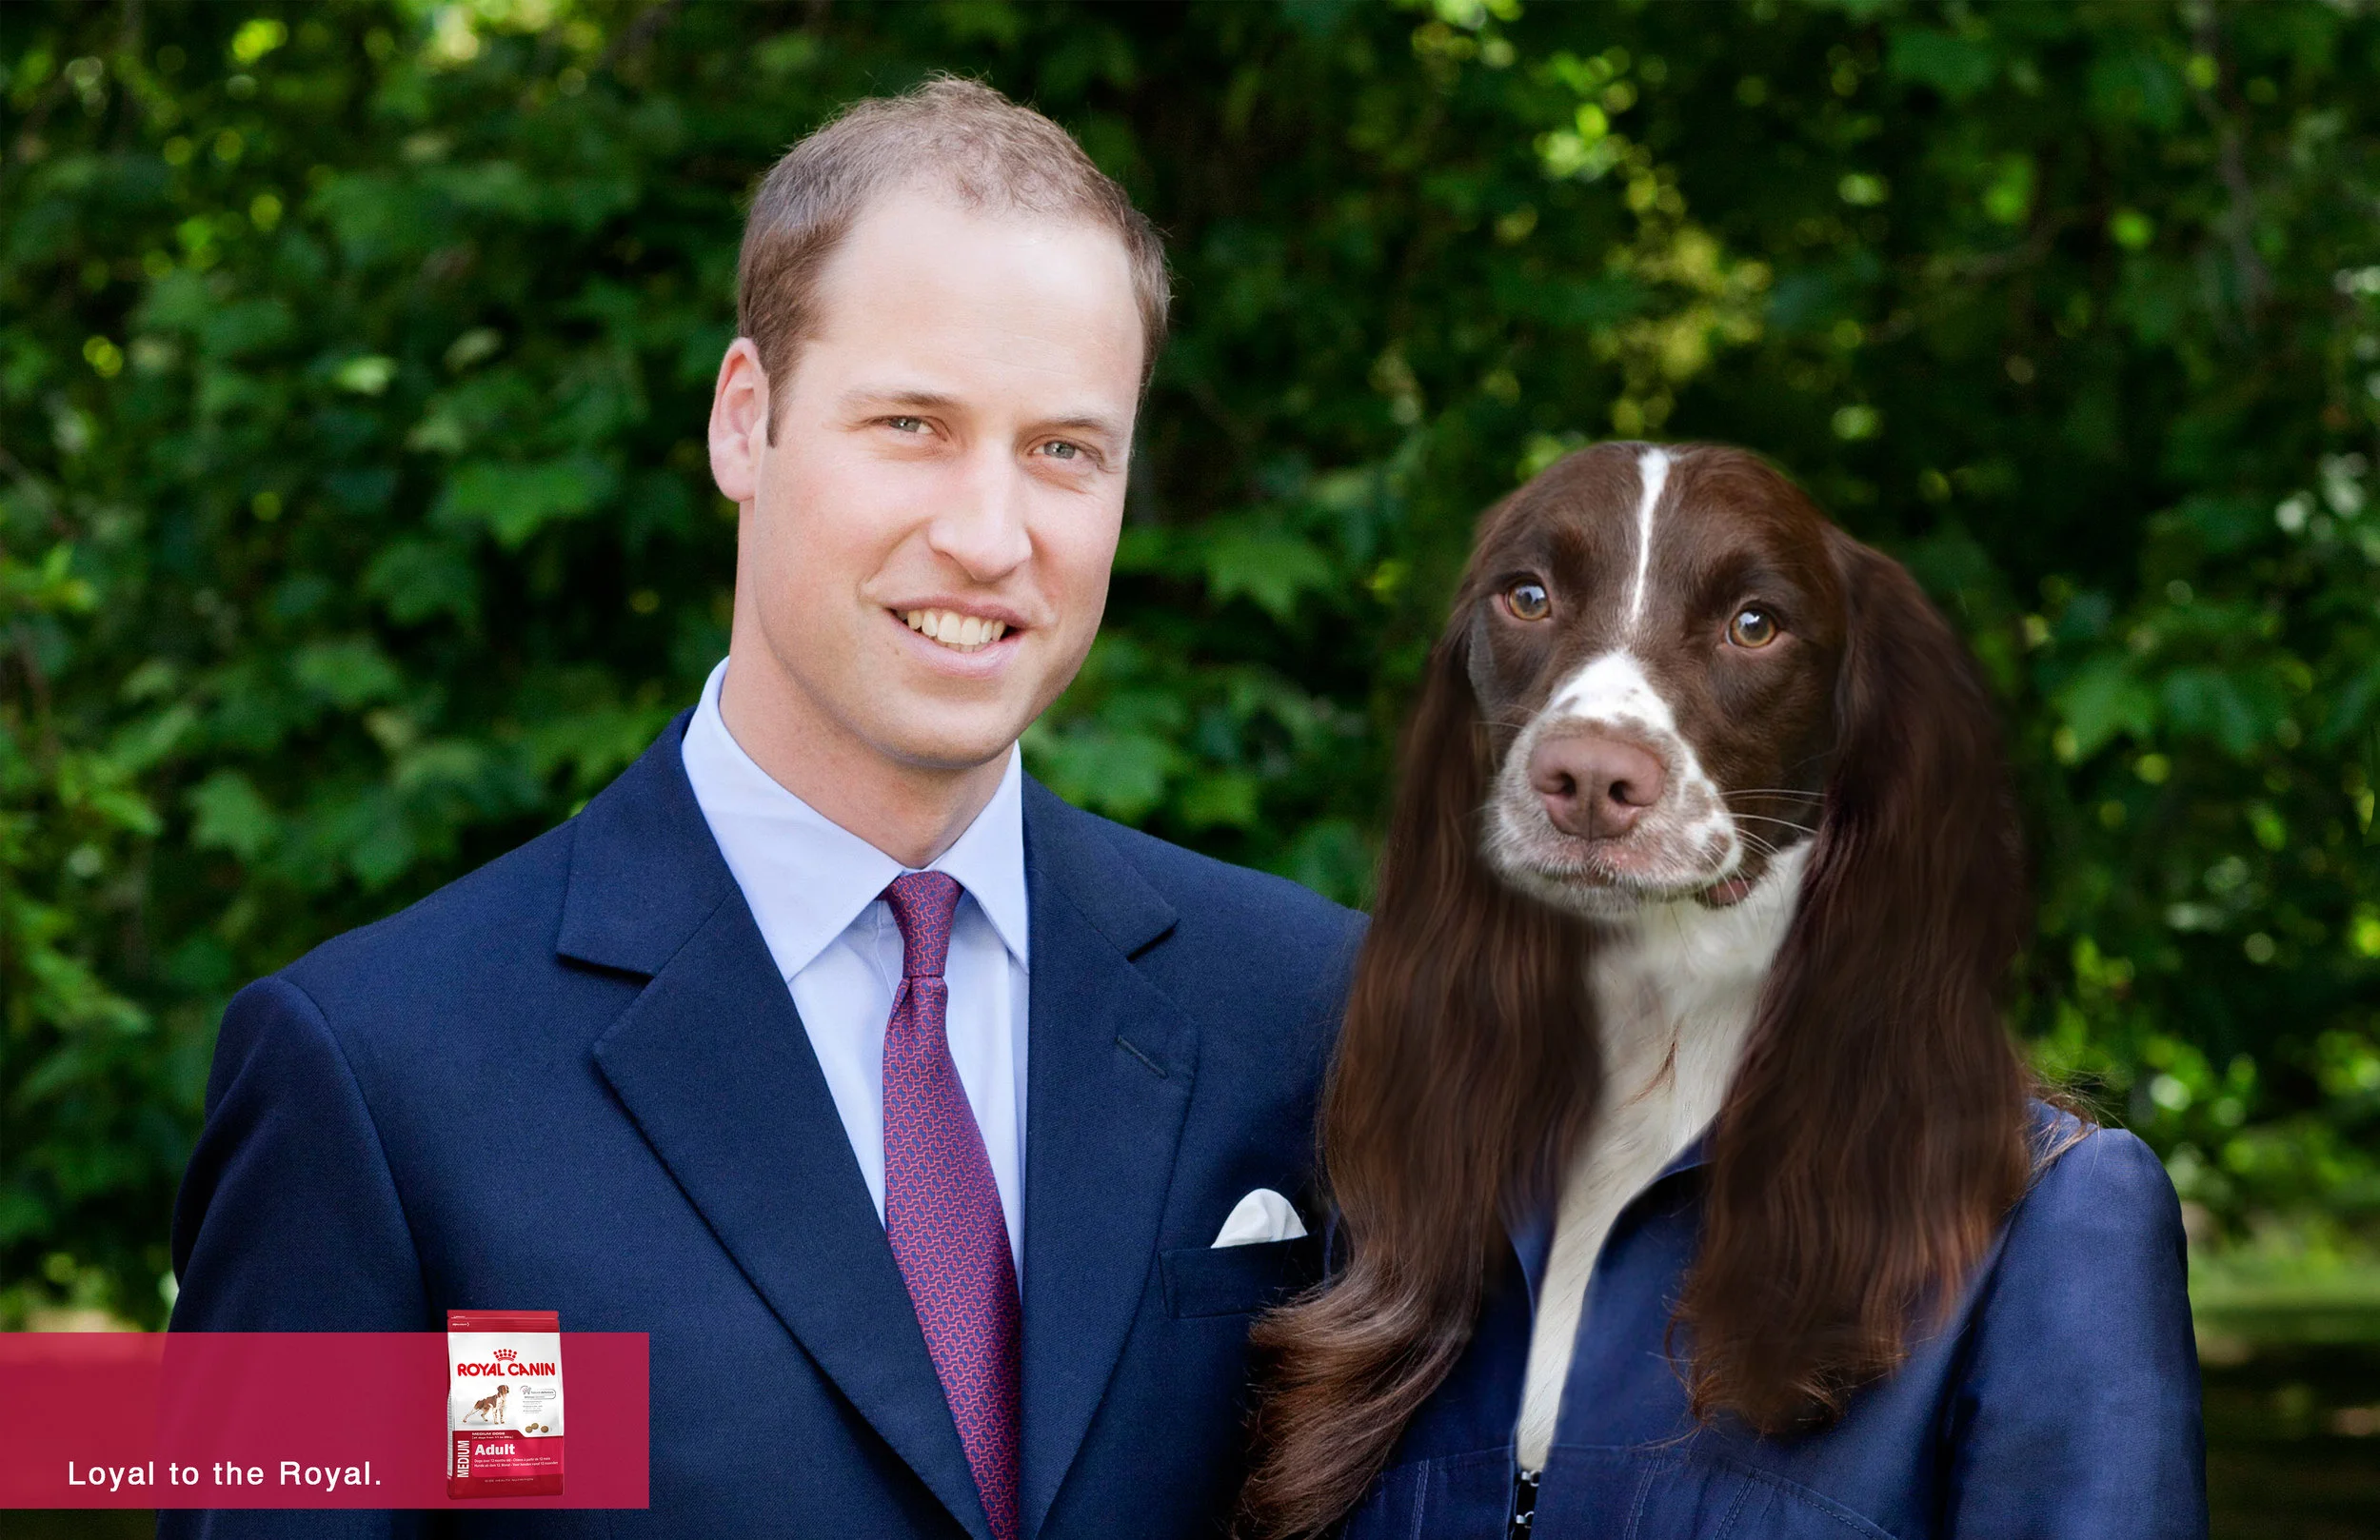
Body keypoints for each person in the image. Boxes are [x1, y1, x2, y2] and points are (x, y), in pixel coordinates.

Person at [167, 78, 1359, 1540]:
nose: (989, 534)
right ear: (747, 421)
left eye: (1064, 449)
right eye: (912, 423)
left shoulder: (1312, 1010)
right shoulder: (377, 1076)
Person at [1235, 444, 2205, 1540]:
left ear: (1856, 731)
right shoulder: (1364, 1175)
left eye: (1752, 623)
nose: (1598, 747)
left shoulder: (2048, 1218)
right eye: (1531, 598)